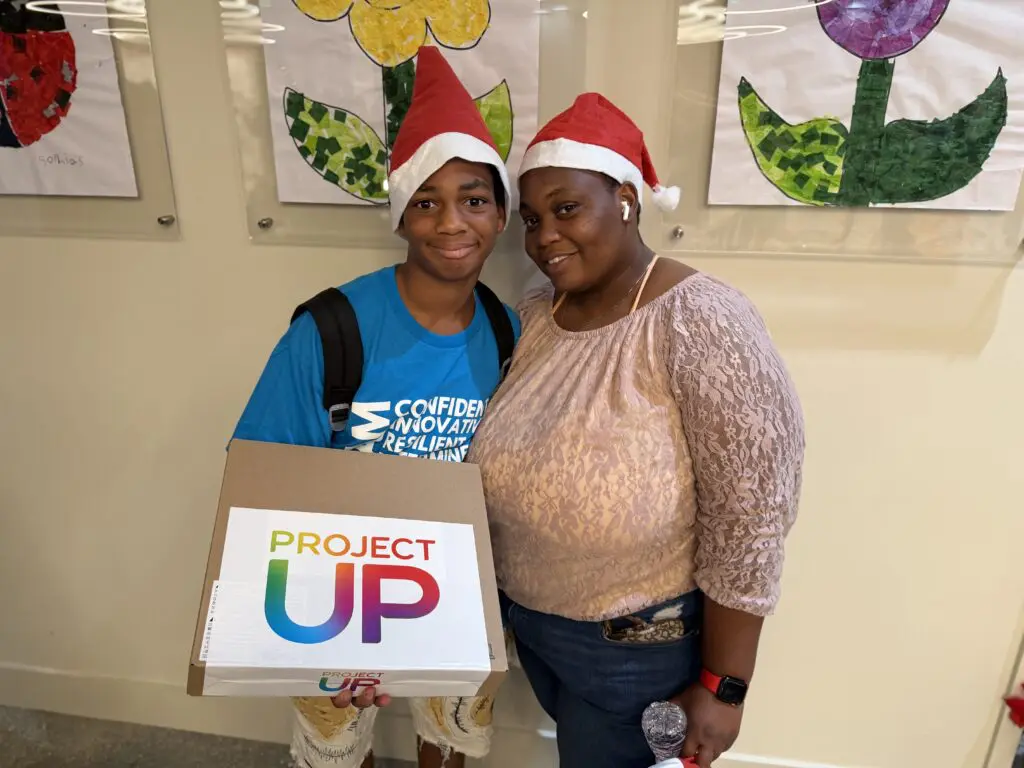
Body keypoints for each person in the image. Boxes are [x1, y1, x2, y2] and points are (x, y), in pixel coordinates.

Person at [467, 93, 805, 768]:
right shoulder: (537, 315)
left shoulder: (702, 321)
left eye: (566, 209)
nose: (544, 238)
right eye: (532, 220)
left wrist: (725, 688)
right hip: (533, 630)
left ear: (625, 196)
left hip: (636, 649)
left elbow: (753, 517)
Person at [230, 46, 518, 768]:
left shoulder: (509, 331)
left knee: (452, 737)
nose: (452, 223)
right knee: (334, 746)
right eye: (427, 201)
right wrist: (315, 624)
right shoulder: (331, 331)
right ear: (399, 216)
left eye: (473, 200)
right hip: (332, 591)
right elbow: (259, 476)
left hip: (454, 585)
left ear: (502, 213)